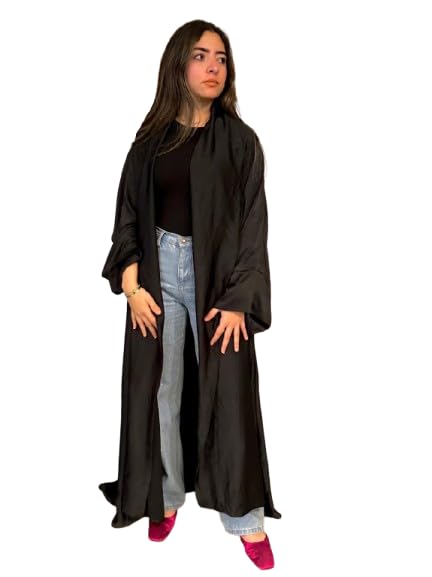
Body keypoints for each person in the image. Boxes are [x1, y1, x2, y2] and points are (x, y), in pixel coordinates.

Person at [99, 19, 281, 570]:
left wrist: (240, 298)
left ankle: (245, 520)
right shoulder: (150, 140)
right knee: (161, 388)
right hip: (156, 275)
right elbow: (128, 214)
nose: (213, 67)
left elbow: (252, 228)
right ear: (178, 64)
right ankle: (165, 496)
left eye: (221, 58)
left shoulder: (240, 142)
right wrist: (131, 283)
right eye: (201, 56)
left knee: (228, 395)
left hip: (218, 281)